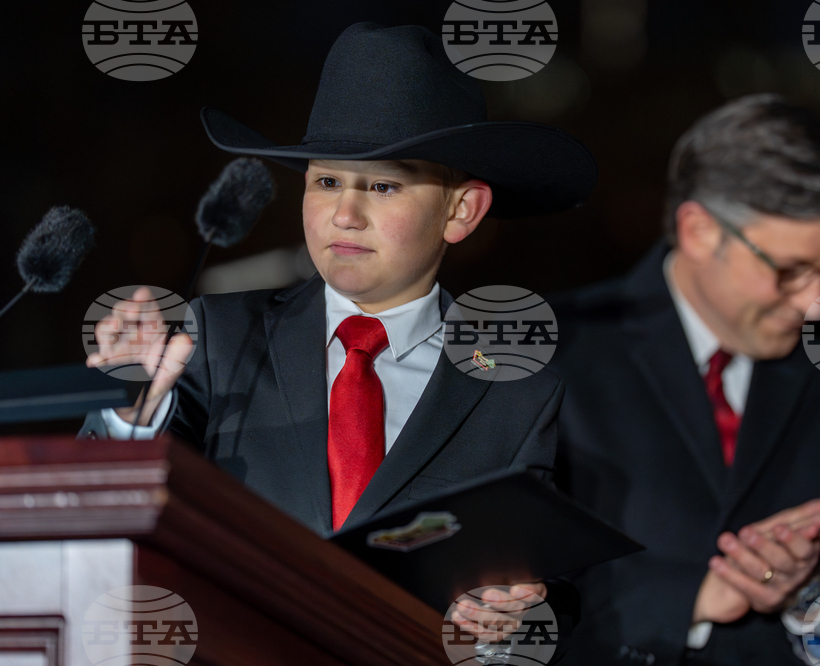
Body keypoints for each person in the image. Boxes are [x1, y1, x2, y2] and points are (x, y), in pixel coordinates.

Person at [80, 22, 596, 647]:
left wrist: (510, 619)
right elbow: (105, 513)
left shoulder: (514, 390)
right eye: (326, 181)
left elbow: (547, 583)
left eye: (383, 185)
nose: (345, 215)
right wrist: (134, 404)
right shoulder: (217, 337)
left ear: (461, 211)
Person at [551, 94, 820, 665]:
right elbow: (490, 591)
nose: (817, 304)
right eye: (789, 270)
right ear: (699, 231)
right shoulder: (553, 354)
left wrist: (810, 592)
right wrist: (690, 599)